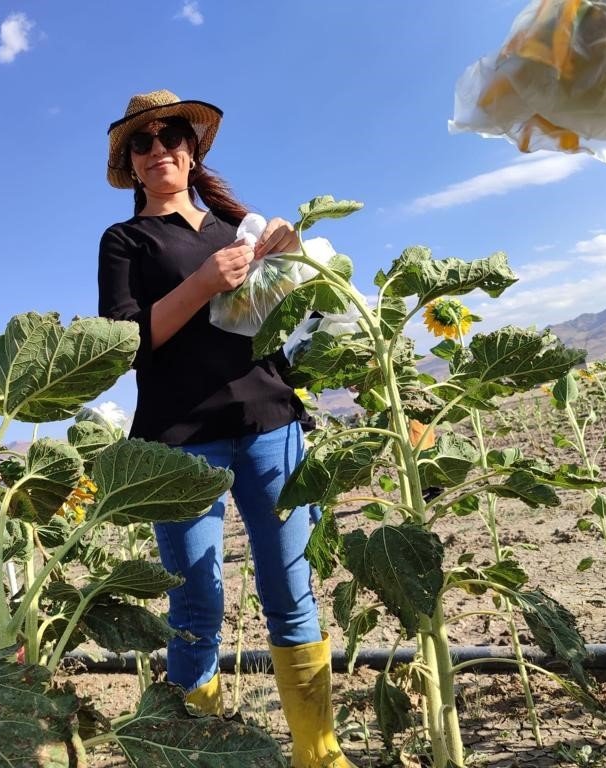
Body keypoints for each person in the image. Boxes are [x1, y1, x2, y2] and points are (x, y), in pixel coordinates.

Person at [98, 89, 356, 768]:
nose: (159, 151)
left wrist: (294, 263)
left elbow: (284, 320)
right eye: (142, 143)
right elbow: (125, 339)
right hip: (181, 442)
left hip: (269, 419)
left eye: (171, 136)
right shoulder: (125, 241)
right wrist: (203, 285)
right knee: (196, 610)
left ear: (193, 147)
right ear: (130, 163)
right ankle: (193, 756)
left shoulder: (233, 228)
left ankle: (316, 753)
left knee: (292, 596)